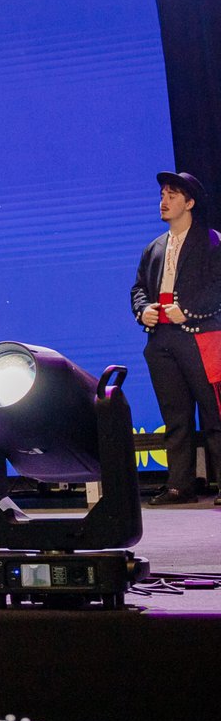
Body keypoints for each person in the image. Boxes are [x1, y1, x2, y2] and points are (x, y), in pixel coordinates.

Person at [132, 171, 221, 505]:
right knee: (176, 416)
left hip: (201, 338)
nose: (164, 201)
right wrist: (144, 311)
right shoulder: (154, 248)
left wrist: (189, 310)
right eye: (162, 195)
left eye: (172, 195)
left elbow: (218, 286)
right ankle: (180, 484)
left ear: (190, 202)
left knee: (214, 413)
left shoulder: (212, 241)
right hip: (163, 340)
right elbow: (139, 288)